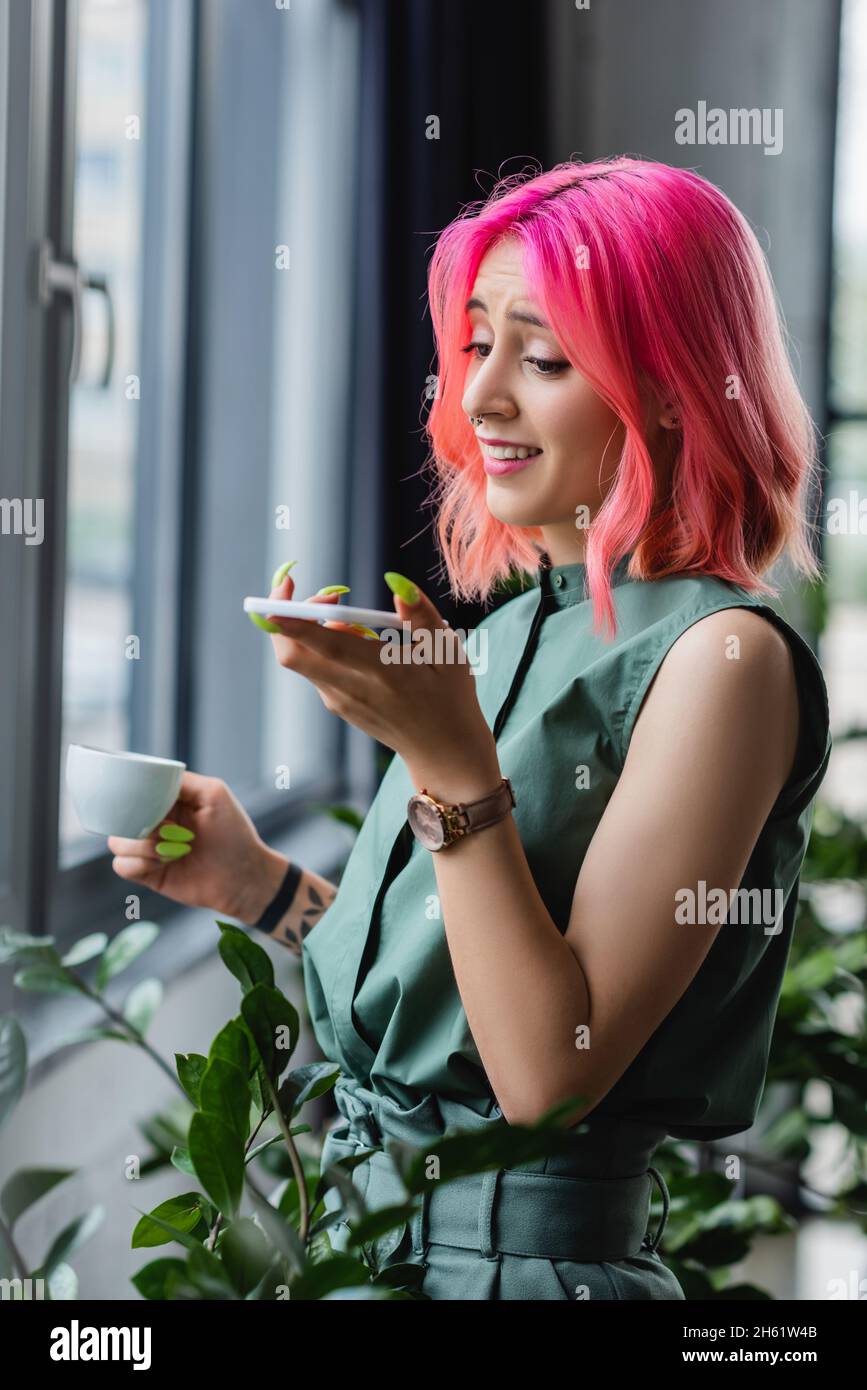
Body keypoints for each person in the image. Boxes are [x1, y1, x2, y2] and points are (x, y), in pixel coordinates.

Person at [108, 157, 832, 1300]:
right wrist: (259, 888)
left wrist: (447, 760)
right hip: (353, 1251)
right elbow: (457, 999)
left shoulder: (721, 662)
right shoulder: (498, 638)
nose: (479, 396)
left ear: (674, 387)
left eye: (541, 357)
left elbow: (548, 1074)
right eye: (475, 343)